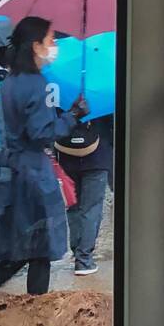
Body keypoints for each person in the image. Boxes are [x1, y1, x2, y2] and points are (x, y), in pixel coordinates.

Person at [0, 16, 88, 295]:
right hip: (33, 175)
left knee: (19, 248)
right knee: (38, 249)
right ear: (36, 46)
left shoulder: (13, 79)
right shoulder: (36, 84)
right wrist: (73, 116)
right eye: (50, 40)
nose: (54, 45)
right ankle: (31, 309)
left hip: (13, 169)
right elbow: (42, 133)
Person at [55, 113, 113, 276]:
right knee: (92, 209)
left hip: (66, 155)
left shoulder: (62, 92)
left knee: (73, 206)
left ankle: (77, 250)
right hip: (98, 156)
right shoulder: (103, 93)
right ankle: (84, 259)